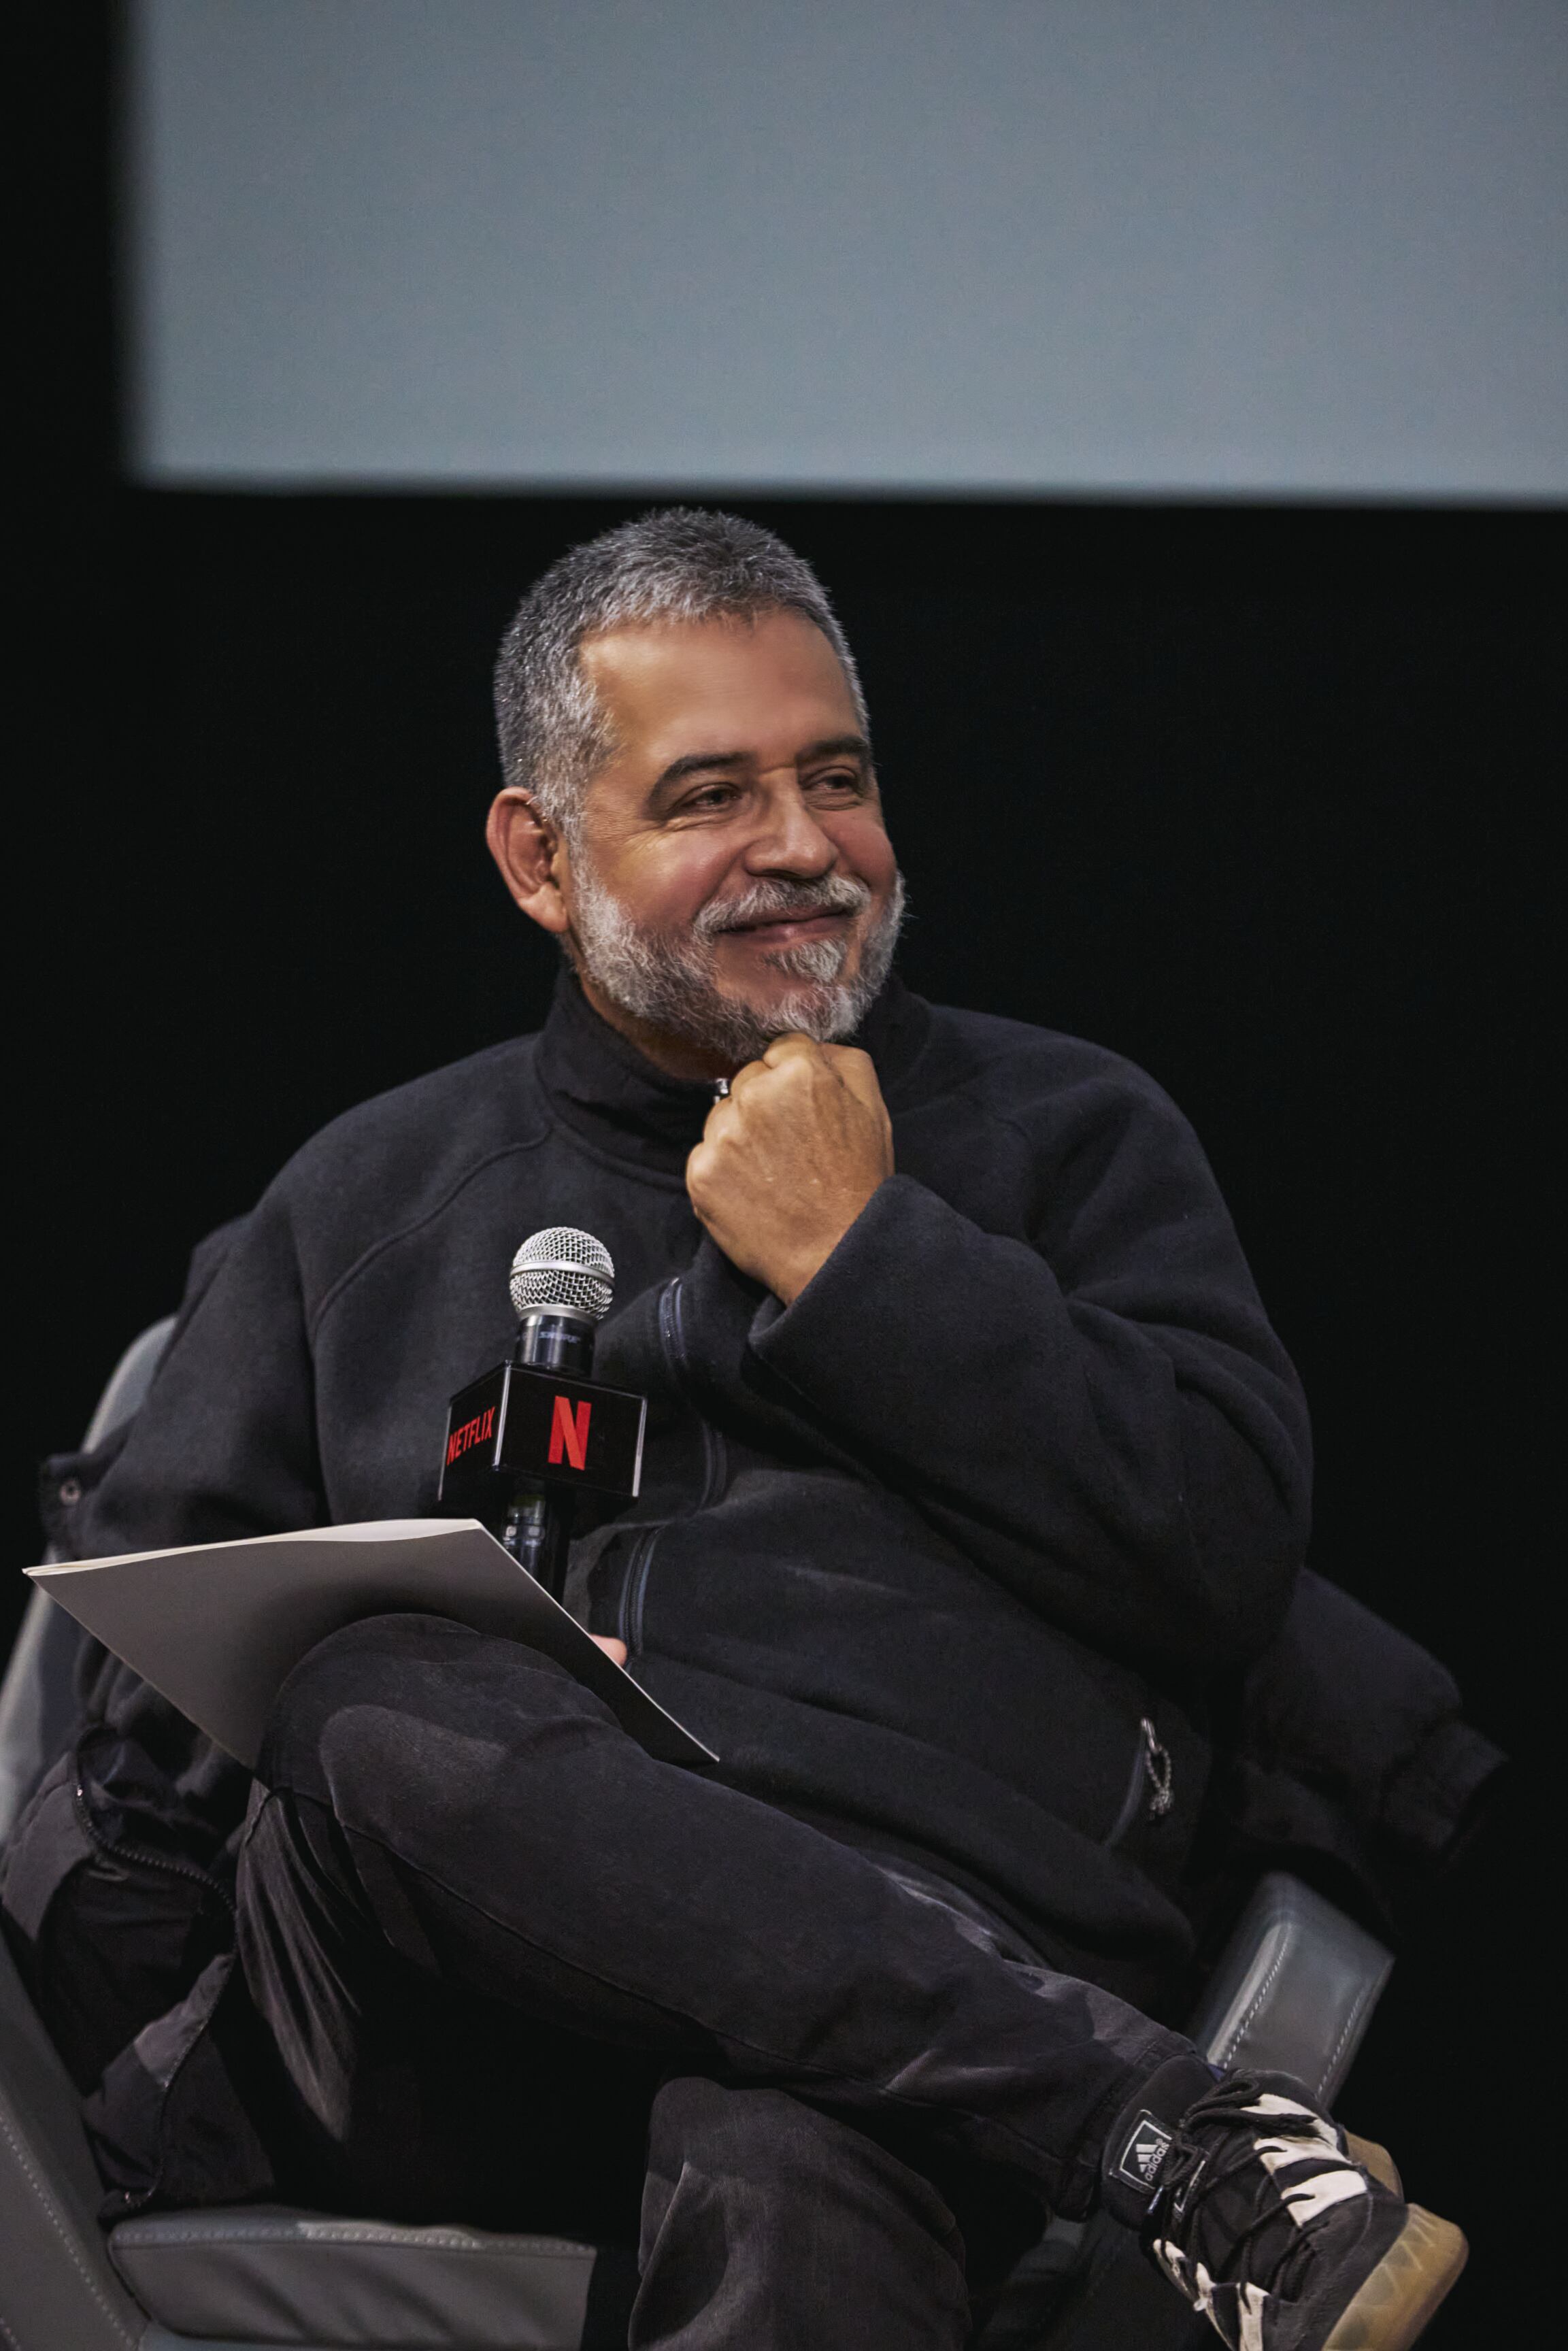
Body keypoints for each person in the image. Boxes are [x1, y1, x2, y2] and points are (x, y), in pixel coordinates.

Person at [2, 511, 1467, 2349]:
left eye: (834, 778)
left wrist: (868, 1264)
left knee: (793, 2146)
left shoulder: (1070, 1135)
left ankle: (1070, 2100)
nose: (803, 850)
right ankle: (1174, 2147)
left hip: (939, 1952)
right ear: (541, 857)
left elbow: (1220, 1552)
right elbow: (140, 1690)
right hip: (445, 2008)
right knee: (373, 1689)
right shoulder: (363, 1193)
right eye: (711, 796)